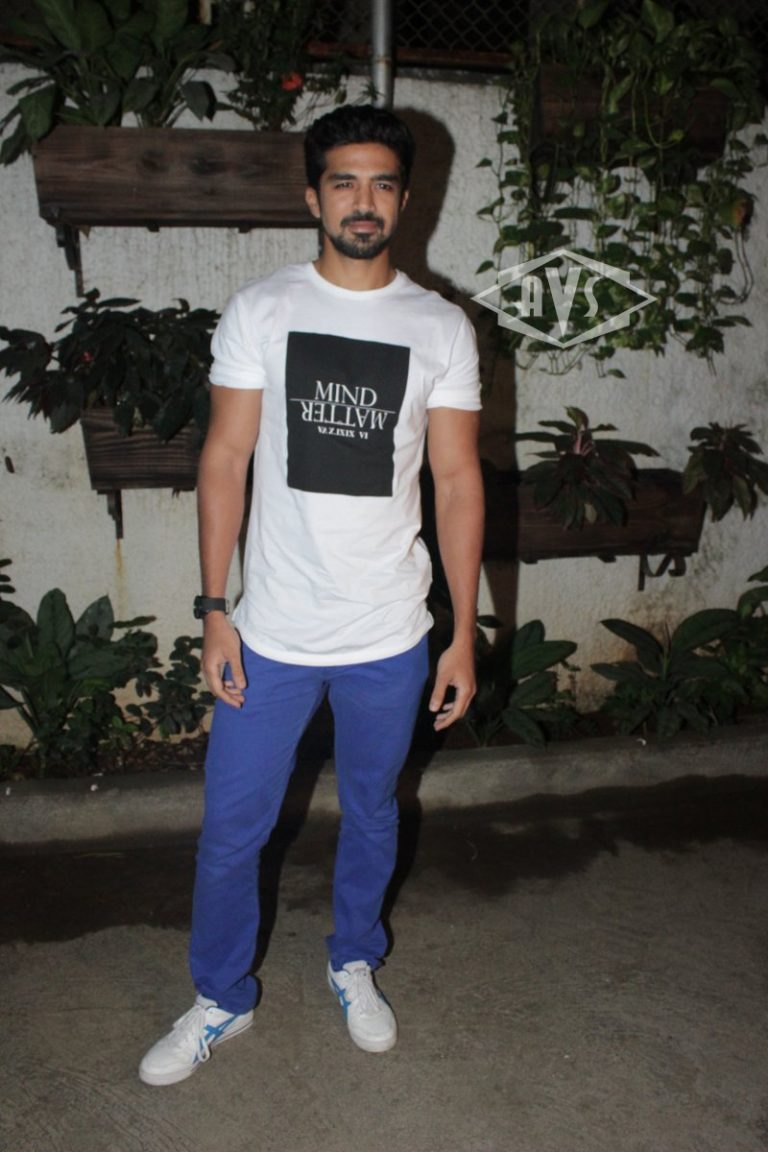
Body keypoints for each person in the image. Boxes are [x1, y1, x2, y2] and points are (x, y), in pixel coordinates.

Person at [139, 104, 484, 1087]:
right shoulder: (263, 309)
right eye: (344, 182)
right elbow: (225, 458)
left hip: (390, 632)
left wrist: (462, 634)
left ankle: (353, 958)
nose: (362, 201)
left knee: (373, 809)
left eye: (381, 183)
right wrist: (214, 610)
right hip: (274, 632)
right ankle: (221, 996)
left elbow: (457, 480)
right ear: (312, 196)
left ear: (406, 201)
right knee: (231, 829)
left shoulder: (439, 326)